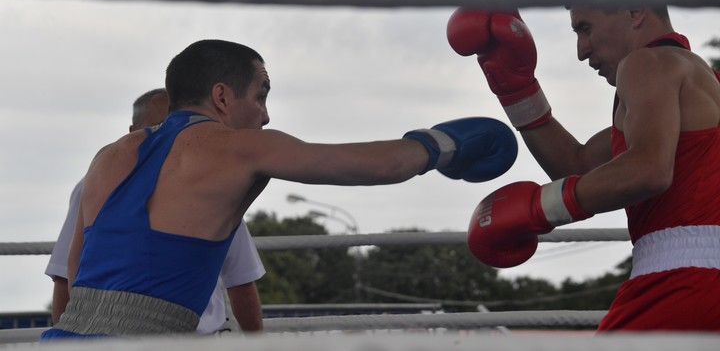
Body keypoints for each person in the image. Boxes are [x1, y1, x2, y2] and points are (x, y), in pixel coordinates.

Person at [39, 39, 518, 340]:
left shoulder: (108, 157)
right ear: (223, 96)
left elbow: (76, 277)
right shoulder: (241, 149)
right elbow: (374, 164)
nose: (266, 115)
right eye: (261, 94)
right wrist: (446, 144)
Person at [448, 0, 720, 331]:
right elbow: (577, 167)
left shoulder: (647, 63)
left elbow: (647, 169)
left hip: (683, 280)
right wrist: (517, 91)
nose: (581, 51)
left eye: (585, 28)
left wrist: (540, 207)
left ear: (634, 9)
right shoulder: (697, 81)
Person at [44, 88, 266, 334]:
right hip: (116, 339)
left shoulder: (215, 186)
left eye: (182, 126)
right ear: (132, 132)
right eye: (159, 126)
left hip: (199, 339)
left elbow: (241, 280)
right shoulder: (92, 185)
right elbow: (65, 279)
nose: (170, 134)